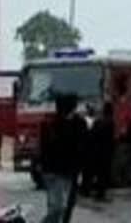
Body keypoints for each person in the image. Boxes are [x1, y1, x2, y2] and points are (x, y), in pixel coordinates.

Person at [39, 93, 87, 223]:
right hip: (56, 170)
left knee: (62, 206)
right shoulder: (52, 124)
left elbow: (82, 146)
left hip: (66, 170)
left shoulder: (77, 123)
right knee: (58, 206)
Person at [90, 102, 115, 201]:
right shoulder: (110, 122)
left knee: (99, 173)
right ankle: (101, 194)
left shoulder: (98, 121)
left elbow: (93, 135)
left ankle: (98, 193)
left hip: (97, 150)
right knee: (104, 173)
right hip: (106, 151)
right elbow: (110, 139)